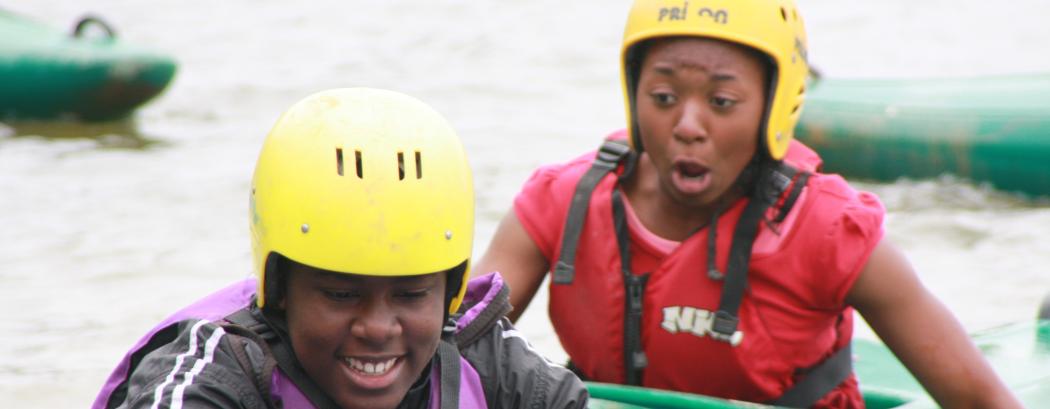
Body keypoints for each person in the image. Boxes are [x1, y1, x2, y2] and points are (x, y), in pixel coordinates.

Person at [474, 0, 1022, 407]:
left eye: (722, 101)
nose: (688, 126)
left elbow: (983, 401)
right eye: (663, 98)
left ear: (773, 107)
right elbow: (445, 353)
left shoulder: (832, 229)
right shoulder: (560, 202)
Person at [93, 88, 588, 409]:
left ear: (450, 290)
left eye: (412, 294)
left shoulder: (490, 362)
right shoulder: (216, 371)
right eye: (341, 294)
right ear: (280, 288)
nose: (377, 328)